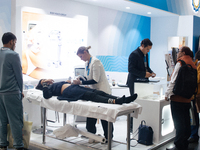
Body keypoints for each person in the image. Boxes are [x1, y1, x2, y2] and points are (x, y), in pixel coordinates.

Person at [73, 46, 113, 142]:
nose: (81, 59)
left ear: (86, 52)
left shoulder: (96, 62)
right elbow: (88, 77)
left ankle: (108, 137)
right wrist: (81, 78)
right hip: (94, 92)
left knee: (104, 116)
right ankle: (91, 134)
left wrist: (81, 83)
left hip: (103, 92)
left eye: (81, 56)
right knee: (91, 113)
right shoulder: (87, 62)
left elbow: (95, 79)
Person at [165, 46, 197, 150]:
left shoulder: (180, 63)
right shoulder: (193, 64)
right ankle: (184, 142)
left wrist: (167, 94)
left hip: (177, 97)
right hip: (187, 98)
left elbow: (173, 80)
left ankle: (178, 145)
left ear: (183, 53)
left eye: (179, 52)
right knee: (186, 120)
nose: (178, 54)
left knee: (178, 122)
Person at [0, 32, 27, 150]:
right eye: (15, 42)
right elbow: (19, 76)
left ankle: (2, 144)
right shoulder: (13, 55)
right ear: (11, 41)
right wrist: (21, 90)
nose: (15, 45)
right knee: (15, 120)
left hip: (0, 93)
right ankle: (18, 145)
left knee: (2, 121)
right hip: (11, 92)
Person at [126, 38, 156, 132]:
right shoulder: (134, 54)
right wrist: (143, 74)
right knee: (134, 104)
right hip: (134, 83)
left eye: (149, 50)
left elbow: (146, 67)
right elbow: (131, 70)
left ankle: (140, 122)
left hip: (143, 82)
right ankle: (131, 126)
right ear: (142, 46)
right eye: (147, 49)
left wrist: (151, 72)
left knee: (143, 103)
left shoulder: (145, 55)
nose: (148, 51)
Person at [36, 79, 137, 104]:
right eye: (44, 81)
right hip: (69, 92)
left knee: (98, 92)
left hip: (73, 87)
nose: (47, 80)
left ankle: (121, 99)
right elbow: (46, 96)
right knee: (91, 95)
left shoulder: (52, 84)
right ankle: (115, 102)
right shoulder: (47, 88)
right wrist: (44, 83)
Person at [188, 50, 200, 143]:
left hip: (197, 93)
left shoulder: (195, 65)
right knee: (194, 115)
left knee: (194, 114)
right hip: (195, 93)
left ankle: (194, 135)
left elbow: (198, 79)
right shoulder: (194, 64)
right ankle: (193, 134)